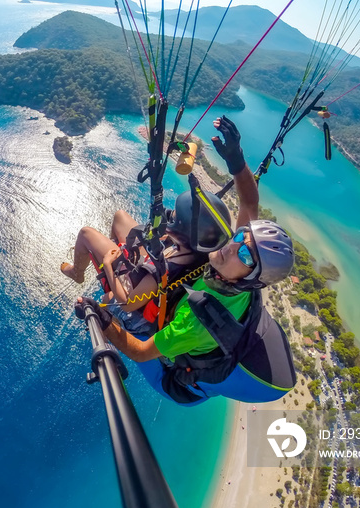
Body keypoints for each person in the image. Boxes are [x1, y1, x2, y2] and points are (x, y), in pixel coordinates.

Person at [75, 116, 297, 406]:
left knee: (111, 300)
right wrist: (236, 160)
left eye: (245, 254)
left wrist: (106, 322)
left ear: (250, 277)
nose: (233, 246)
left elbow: (141, 351)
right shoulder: (232, 265)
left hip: (170, 381)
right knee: (127, 236)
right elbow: (249, 203)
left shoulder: (196, 321)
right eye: (240, 237)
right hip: (182, 306)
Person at [61, 177, 231, 334]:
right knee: (120, 216)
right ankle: (111, 248)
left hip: (134, 293)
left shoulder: (159, 273)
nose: (170, 215)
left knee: (86, 233)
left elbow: (127, 305)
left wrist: (107, 264)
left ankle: (77, 273)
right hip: (148, 264)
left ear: (183, 232)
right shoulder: (196, 252)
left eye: (174, 216)